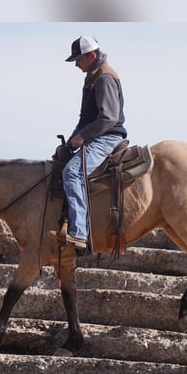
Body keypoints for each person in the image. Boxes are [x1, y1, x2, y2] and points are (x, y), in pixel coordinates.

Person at [54, 36, 127, 252]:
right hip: (95, 136)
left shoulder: (104, 77)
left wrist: (82, 136)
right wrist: (73, 139)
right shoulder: (93, 76)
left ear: (91, 56)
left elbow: (108, 118)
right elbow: (85, 117)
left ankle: (78, 232)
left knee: (72, 173)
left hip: (108, 137)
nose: (76, 64)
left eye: (78, 59)